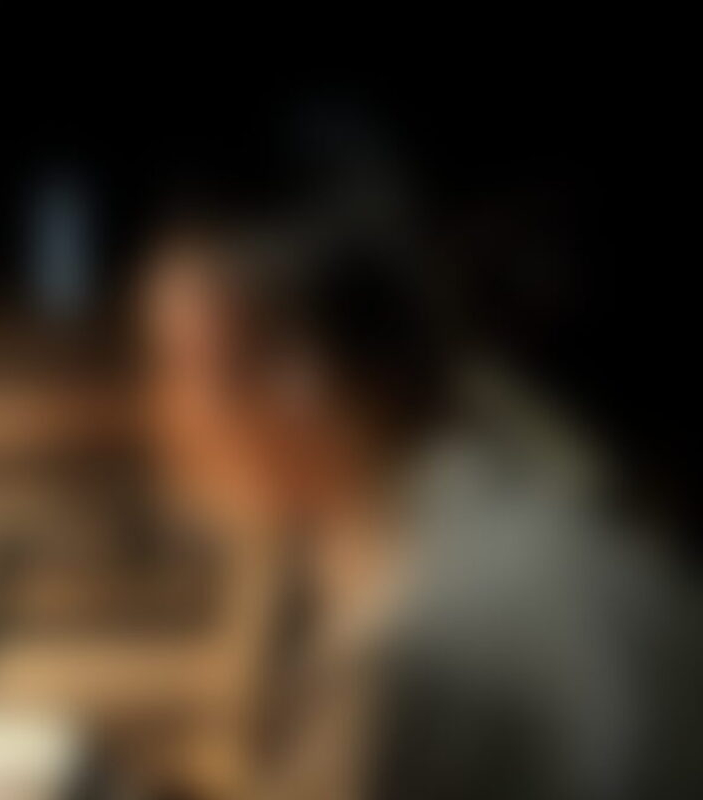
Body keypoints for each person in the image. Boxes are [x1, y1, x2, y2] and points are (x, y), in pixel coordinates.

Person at [136, 208, 696, 800]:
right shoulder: (488, 494)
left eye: (189, 367)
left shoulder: (420, 645)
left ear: (306, 382)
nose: (164, 410)